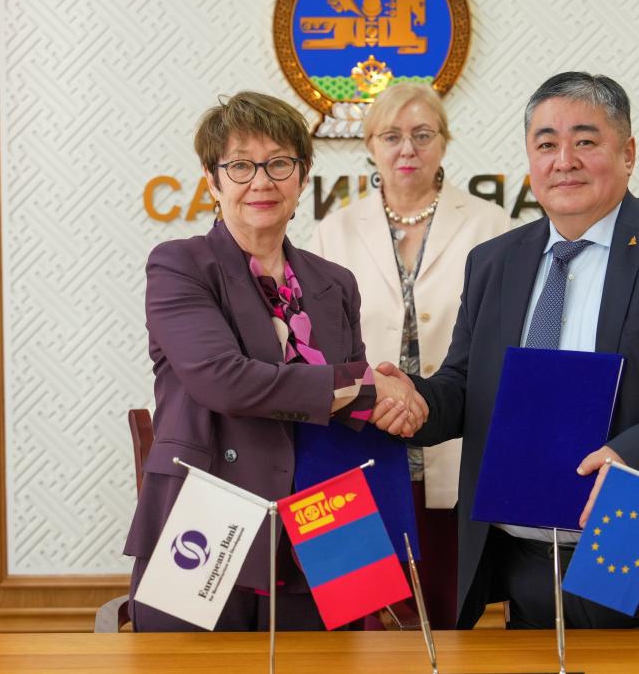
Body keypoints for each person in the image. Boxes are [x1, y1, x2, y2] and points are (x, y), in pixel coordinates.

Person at [375, 72, 639, 629]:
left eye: (585, 141)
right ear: (529, 159)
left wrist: (631, 455)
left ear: (628, 152)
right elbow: (466, 387)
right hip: (529, 570)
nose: (563, 160)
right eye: (546, 144)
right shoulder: (496, 261)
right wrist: (413, 401)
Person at [123, 91, 422, 632]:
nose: (261, 181)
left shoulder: (335, 283)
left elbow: (350, 408)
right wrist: (367, 386)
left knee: (332, 671)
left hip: (327, 520)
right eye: (239, 166)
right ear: (213, 181)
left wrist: (400, 402)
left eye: (279, 163)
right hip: (209, 515)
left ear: (302, 176)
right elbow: (226, 382)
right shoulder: (179, 266)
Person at [310, 82, 511, 628]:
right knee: (371, 614)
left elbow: (504, 340)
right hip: (365, 437)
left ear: (444, 142)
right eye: (392, 136)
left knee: (449, 606)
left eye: (423, 135)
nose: (408, 149)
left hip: (454, 439)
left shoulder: (491, 226)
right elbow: (316, 345)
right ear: (371, 145)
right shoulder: (334, 231)